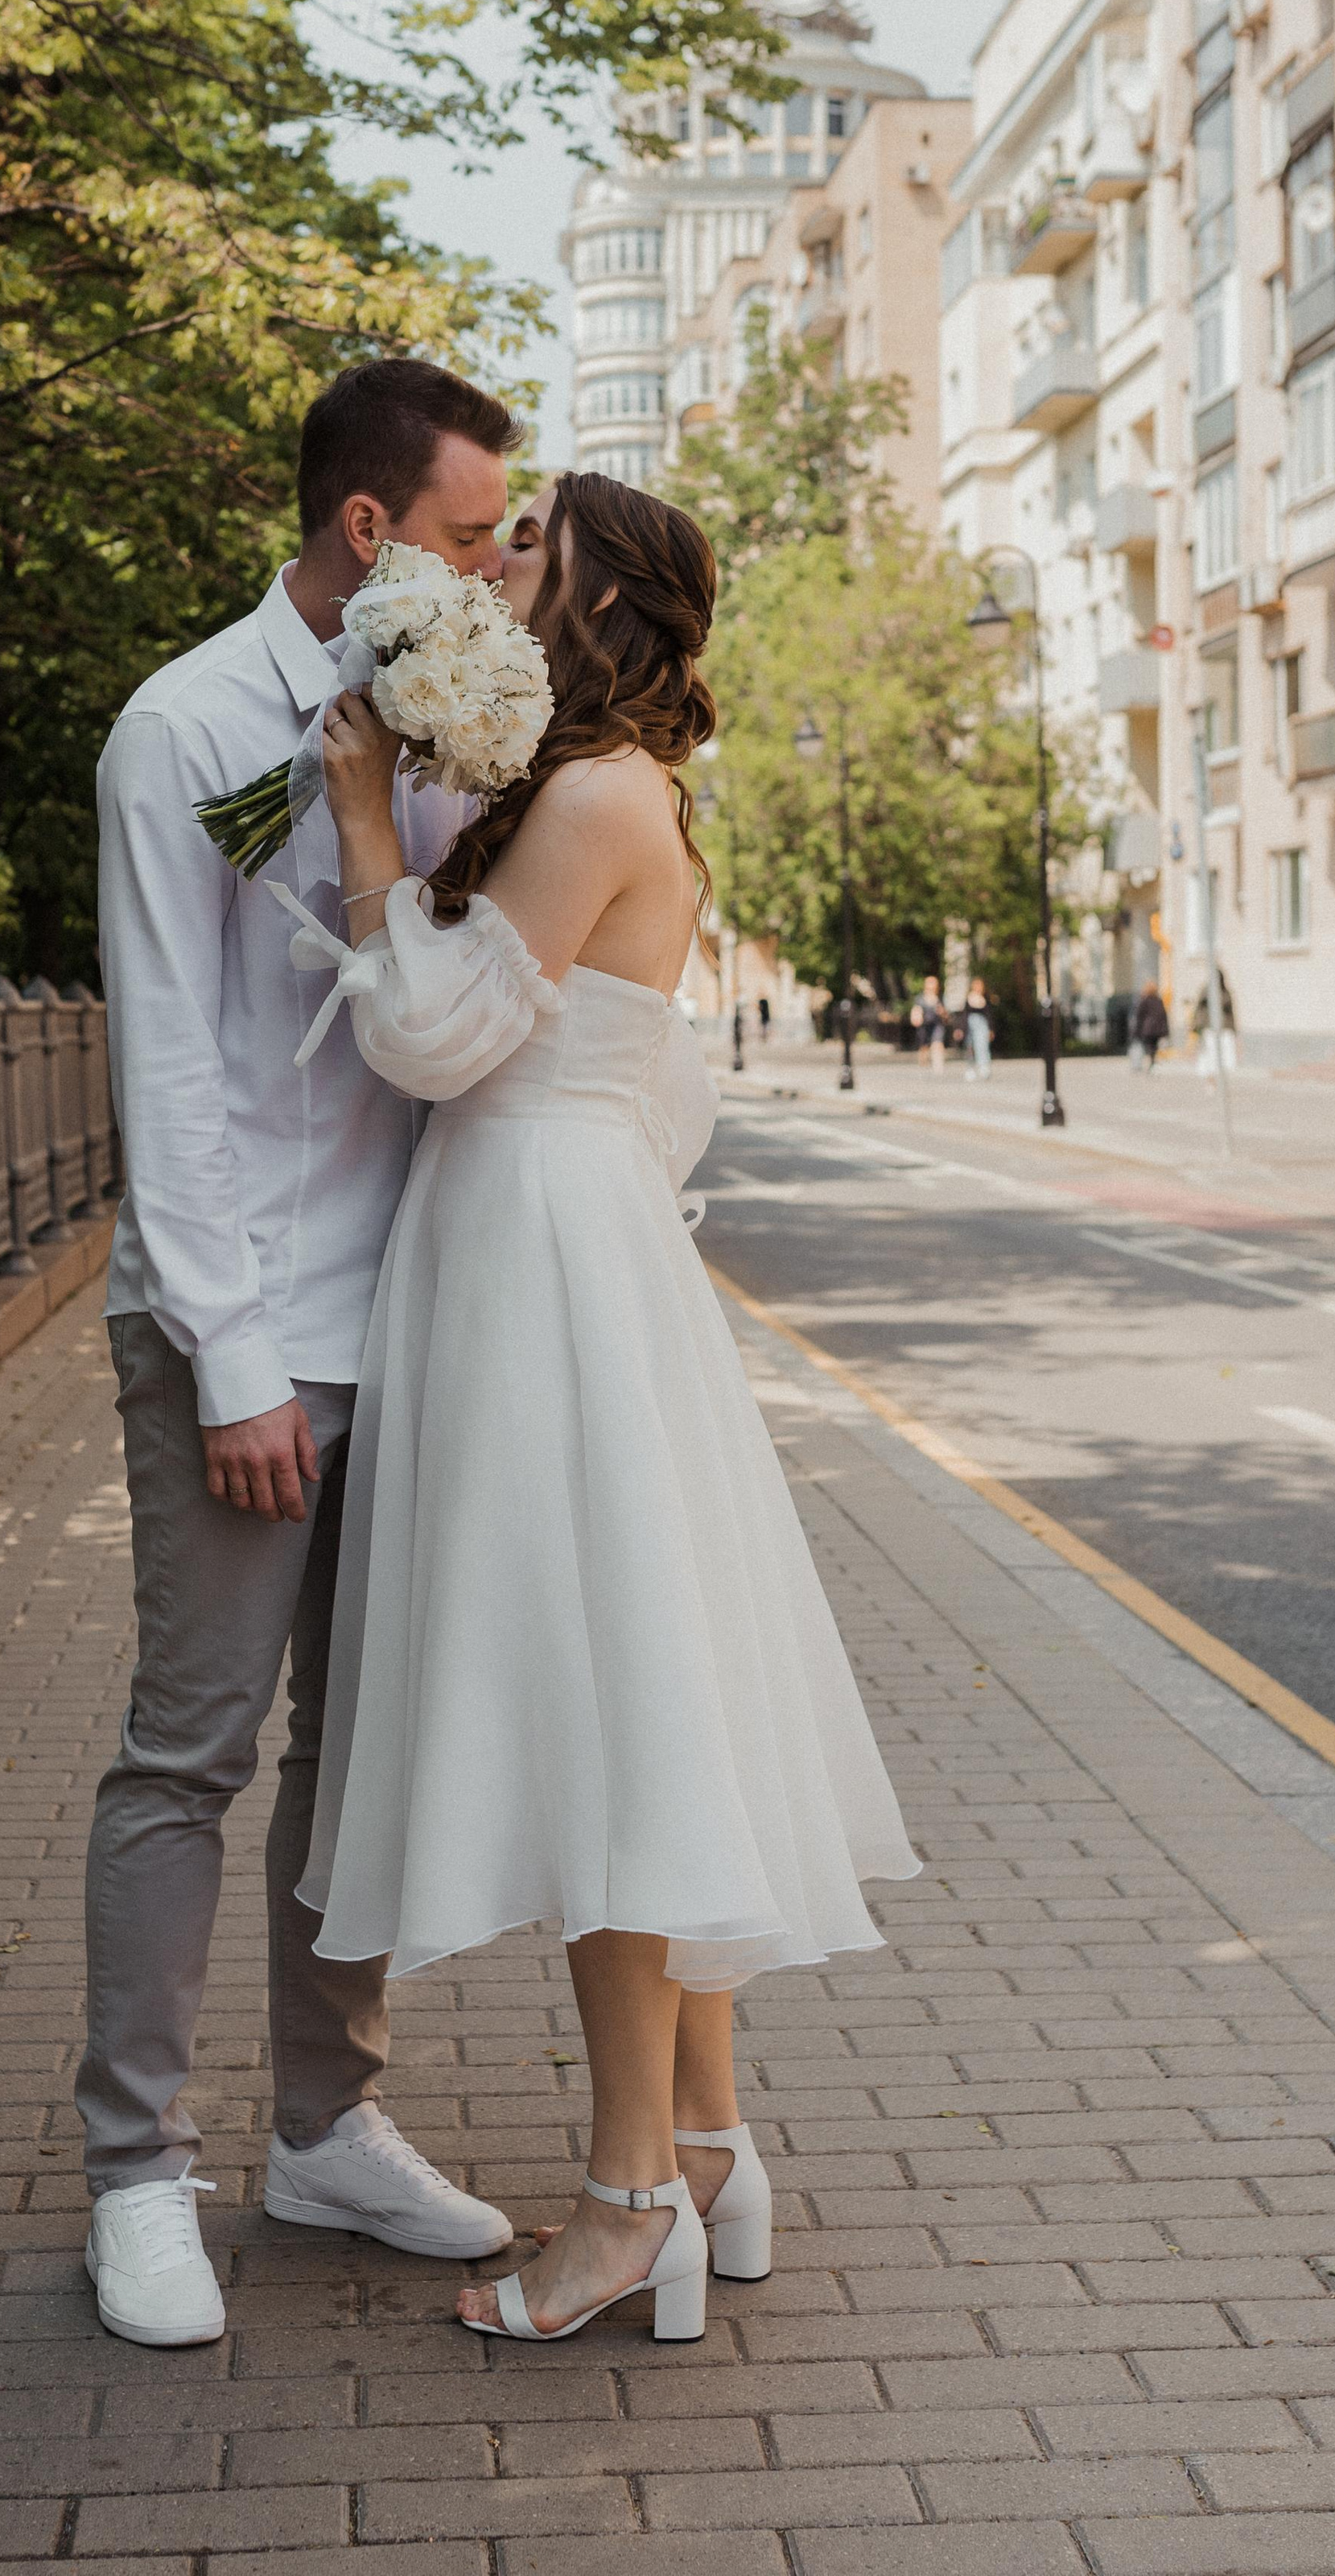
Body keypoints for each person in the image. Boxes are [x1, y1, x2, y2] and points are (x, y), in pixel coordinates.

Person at [296, 469, 917, 2345]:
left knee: (603, 1732)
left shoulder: (583, 796)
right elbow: (658, 1096)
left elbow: (422, 1037)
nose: (491, 577)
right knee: (649, 1715)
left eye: (524, 558)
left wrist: (351, 828)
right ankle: (709, 2143)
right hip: (575, 1243)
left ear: (596, 603)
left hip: (538, 1263)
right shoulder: (593, 792)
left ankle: (625, 2195)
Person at [80, 357, 524, 2348]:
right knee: (194, 1746)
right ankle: (132, 2166)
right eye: (465, 535)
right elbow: (170, 1067)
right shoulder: (184, 724)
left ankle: (326, 2122)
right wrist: (233, 1358)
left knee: (352, 1762)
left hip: (412, 1300)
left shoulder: (448, 723)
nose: (495, 569)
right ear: (370, 534)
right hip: (245, 1318)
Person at [913, 972, 949, 1075]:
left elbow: (946, 1014)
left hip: (937, 1025)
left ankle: (938, 1065)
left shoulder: (940, 998)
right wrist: (916, 1018)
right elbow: (916, 1010)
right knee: (924, 1047)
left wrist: (943, 1012)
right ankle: (923, 1065)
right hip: (924, 1025)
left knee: (938, 1043)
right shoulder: (920, 998)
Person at [962, 974, 993, 1083]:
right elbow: (965, 1015)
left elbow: (989, 1015)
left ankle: (984, 1067)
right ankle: (970, 1068)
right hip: (970, 1025)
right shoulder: (969, 998)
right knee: (970, 1047)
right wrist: (961, 1029)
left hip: (982, 1025)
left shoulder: (985, 999)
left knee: (982, 1046)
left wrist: (991, 1029)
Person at [1134, 980, 1169, 1072]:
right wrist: (1165, 1030)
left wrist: (1137, 1030)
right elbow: (1163, 1015)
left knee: (1149, 1047)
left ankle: (1151, 1062)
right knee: (1154, 1047)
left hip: (1148, 1029)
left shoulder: (1144, 1001)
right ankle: (1152, 1062)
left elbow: (1139, 1016)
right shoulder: (1159, 1001)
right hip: (1157, 1029)